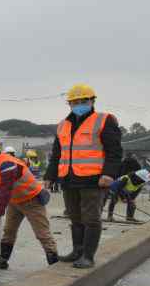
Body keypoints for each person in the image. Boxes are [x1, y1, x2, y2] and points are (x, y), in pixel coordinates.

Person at [44, 83, 122, 269]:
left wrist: (109, 174)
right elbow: (57, 154)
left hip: (94, 179)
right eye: (74, 101)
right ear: (69, 104)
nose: (79, 104)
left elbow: (115, 152)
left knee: (91, 218)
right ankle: (77, 251)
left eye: (83, 100)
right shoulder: (63, 125)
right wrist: (50, 176)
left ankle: (88, 256)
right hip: (69, 180)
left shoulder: (104, 120)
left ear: (92, 101)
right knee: (75, 216)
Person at [0, 135, 58, 269]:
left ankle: (54, 262)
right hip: (14, 201)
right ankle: (3, 260)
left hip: (32, 200)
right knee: (9, 232)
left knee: (42, 233)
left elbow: (5, 190)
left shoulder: (6, 163)